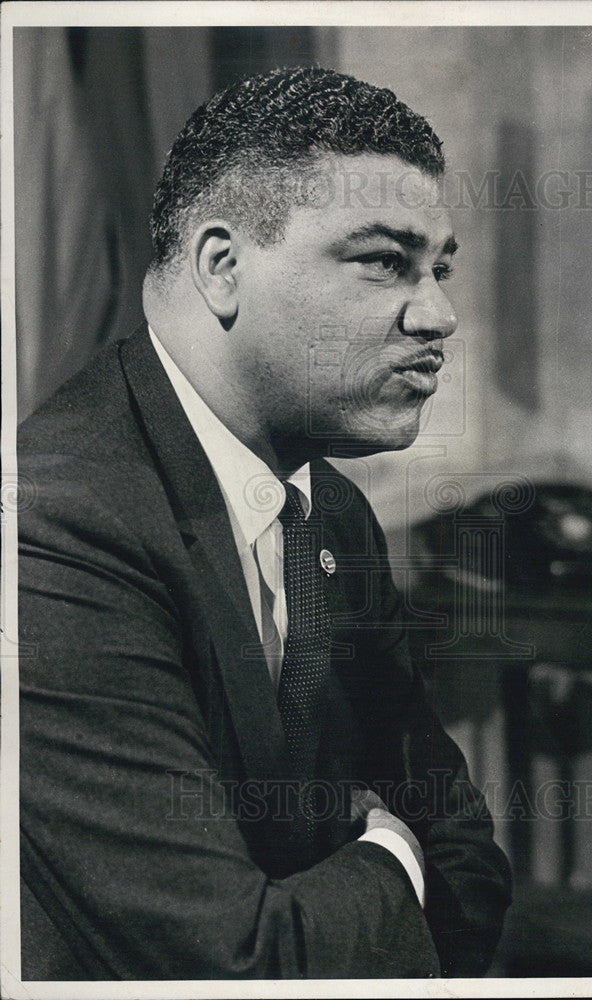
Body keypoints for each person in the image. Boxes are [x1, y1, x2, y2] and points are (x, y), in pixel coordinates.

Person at [17, 66, 511, 981]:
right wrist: (388, 855)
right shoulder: (52, 524)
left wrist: (375, 868)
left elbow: (468, 852)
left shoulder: (330, 508)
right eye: (382, 262)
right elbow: (234, 961)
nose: (440, 314)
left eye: (438, 269)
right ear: (222, 266)